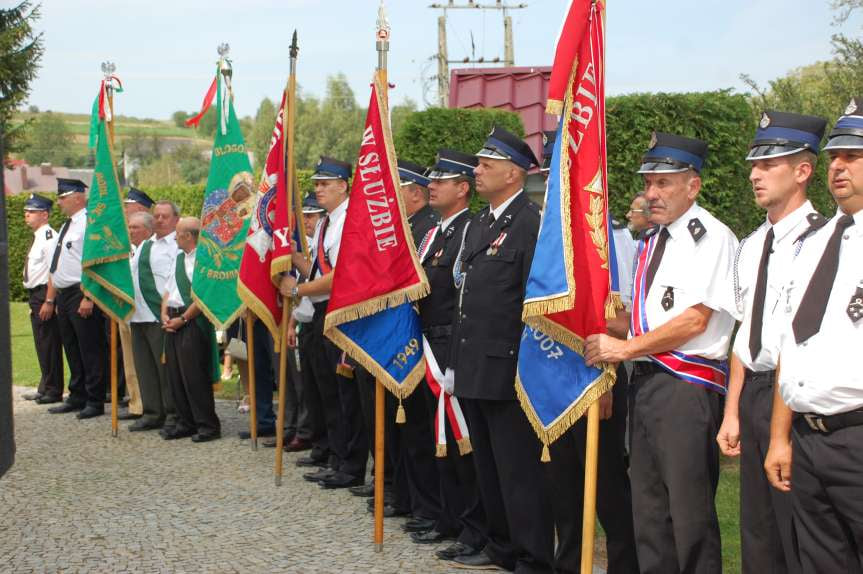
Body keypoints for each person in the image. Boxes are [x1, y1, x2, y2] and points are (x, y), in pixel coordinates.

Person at [584, 132, 738, 574]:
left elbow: (695, 320)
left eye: (664, 183)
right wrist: (591, 318)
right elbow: (645, 322)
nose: (652, 193)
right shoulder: (655, 241)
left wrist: (624, 347)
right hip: (649, 385)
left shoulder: (710, 236)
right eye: (648, 182)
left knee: (689, 518)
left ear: (694, 185)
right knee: (649, 515)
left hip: (687, 387)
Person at [716, 110, 826, 574]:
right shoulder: (751, 244)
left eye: (769, 165)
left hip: (798, 399)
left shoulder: (822, 239)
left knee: (799, 529)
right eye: (753, 166)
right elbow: (746, 333)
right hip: (757, 392)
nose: (755, 175)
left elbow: (799, 338)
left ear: (803, 171)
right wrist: (732, 410)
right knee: (757, 530)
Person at [764, 97, 863, 572]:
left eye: (853, 156)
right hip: (809, 438)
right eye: (833, 157)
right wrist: (781, 437)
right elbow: (792, 344)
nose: (838, 167)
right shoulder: (816, 240)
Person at [449, 126, 553, 572]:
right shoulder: (480, 224)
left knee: (518, 471)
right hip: (473, 364)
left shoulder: (531, 225)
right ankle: (501, 545)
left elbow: (533, 304)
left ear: (513, 174)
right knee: (488, 467)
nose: (477, 171)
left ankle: (532, 555)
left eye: (486, 165)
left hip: (509, 368)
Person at [538, 130, 639, 573]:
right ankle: (568, 563)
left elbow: (622, 312)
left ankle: (622, 564)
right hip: (552, 371)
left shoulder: (612, 236)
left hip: (600, 373)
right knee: (561, 483)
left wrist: (606, 378)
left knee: (608, 487)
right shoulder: (546, 237)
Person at [418, 149, 488, 562]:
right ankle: (450, 518)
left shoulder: (468, 228)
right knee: (440, 438)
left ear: (463, 188)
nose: (432, 185)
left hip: (451, 344)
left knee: (462, 440)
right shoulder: (435, 232)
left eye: (441, 180)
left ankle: (473, 526)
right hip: (431, 340)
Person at [281, 156, 367, 490]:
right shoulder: (327, 223)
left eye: (325, 184)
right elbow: (317, 269)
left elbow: (339, 277)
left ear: (344, 185)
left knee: (344, 395)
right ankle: (336, 457)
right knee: (327, 395)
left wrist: (299, 289)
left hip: (339, 311)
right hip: (319, 313)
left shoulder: (349, 221)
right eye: (316, 184)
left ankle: (351, 465)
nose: (318, 190)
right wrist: (288, 253)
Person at [46, 178, 108, 419]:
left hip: (81, 292)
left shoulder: (88, 223)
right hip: (65, 294)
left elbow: (94, 262)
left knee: (90, 347)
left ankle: (95, 398)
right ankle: (77, 394)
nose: (60, 202)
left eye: (64, 197)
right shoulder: (67, 225)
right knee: (72, 347)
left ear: (79, 197)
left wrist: (88, 296)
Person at [160, 217, 221, 442]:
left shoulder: (205, 261)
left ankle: (207, 425)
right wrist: (164, 314)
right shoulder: (177, 259)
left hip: (192, 322)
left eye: (177, 233)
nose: (175, 237)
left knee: (194, 376)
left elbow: (204, 296)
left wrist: (184, 319)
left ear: (187, 236)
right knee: (176, 376)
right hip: (173, 319)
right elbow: (168, 291)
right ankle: (185, 422)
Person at [128, 200, 179, 434]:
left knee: (164, 370)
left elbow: (174, 280)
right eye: (156, 216)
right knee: (145, 368)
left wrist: (166, 310)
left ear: (175, 219)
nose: (159, 220)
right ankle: (152, 412)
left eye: (164, 216)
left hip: (159, 314)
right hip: (138, 315)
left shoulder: (176, 245)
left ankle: (172, 413)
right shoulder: (145, 245)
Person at [21, 194, 63, 404]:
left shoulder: (49, 237)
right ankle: (45, 385)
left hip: (44, 293)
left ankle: (53, 389)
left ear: (44, 215)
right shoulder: (39, 236)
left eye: (32, 211)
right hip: (36, 295)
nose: (26, 214)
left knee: (49, 342)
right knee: (42, 342)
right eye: (27, 211)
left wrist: (49, 301)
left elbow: (52, 271)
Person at [116, 212, 155, 421]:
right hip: (129, 312)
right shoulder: (127, 250)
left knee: (149, 364)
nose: (130, 231)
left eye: (135, 228)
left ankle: (152, 405)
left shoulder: (153, 249)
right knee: (131, 361)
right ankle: (136, 402)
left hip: (149, 313)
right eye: (129, 227)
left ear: (148, 230)